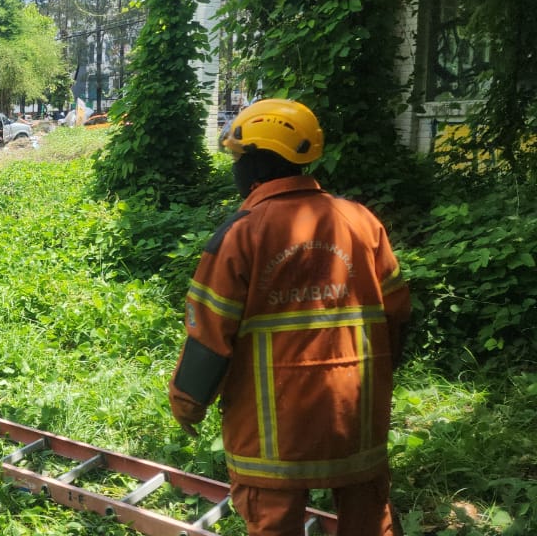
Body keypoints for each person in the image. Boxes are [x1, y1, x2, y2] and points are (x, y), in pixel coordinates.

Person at [166, 99, 410, 536]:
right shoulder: (362, 222)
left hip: (273, 428)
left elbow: (210, 333)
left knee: (273, 519)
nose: (234, 169)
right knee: (368, 516)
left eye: (237, 158)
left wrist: (188, 401)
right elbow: (397, 315)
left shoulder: (243, 233)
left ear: (257, 161)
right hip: (354, 415)